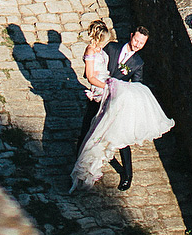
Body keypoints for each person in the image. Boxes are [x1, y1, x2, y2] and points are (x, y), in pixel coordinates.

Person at [70, 26, 174, 192]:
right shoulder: (112, 47)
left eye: (141, 43)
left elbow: (137, 86)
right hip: (97, 96)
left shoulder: (138, 63)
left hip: (116, 102)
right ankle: (78, 169)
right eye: (136, 40)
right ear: (131, 36)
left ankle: (127, 175)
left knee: (120, 139)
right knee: (86, 131)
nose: (137, 44)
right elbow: (94, 62)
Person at [76, 19, 112, 149]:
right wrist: (106, 87)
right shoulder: (90, 51)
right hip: (99, 89)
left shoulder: (100, 51)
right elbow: (90, 76)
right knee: (90, 122)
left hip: (105, 86)